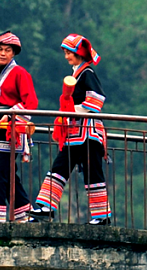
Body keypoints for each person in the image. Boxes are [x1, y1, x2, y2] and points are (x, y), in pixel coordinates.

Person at [30, 34, 111, 224]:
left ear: (79, 53)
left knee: (92, 173)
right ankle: (46, 207)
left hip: (88, 133)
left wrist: (71, 110)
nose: (66, 56)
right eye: (65, 53)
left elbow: (97, 99)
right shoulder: (77, 74)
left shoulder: (87, 73)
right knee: (59, 167)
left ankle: (101, 217)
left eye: (69, 53)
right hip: (75, 133)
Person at [0, 31, 38, 222]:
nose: (3, 53)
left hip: (12, 129)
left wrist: (10, 114)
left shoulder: (20, 73)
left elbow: (30, 103)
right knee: (8, 175)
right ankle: (26, 215)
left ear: (13, 54)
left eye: (7, 50)